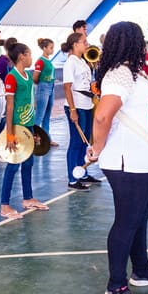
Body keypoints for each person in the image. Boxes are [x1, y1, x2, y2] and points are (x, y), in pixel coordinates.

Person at [86, 21, 148, 294]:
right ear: (133, 42)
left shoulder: (134, 73)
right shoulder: (119, 74)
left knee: (140, 217)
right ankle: (116, 285)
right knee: (127, 221)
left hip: (144, 158)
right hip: (126, 160)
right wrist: (97, 148)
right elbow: (102, 116)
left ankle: (141, 270)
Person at [0, 42, 48, 220]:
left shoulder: (27, 76)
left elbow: (29, 103)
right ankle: (4, 206)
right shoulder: (12, 78)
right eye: (29, 54)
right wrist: (10, 135)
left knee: (28, 164)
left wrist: (33, 130)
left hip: (28, 127)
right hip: (16, 129)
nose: (31, 58)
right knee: (12, 166)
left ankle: (28, 198)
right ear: (21, 56)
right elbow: (10, 108)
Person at [62, 32, 96, 191]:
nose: (86, 45)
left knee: (85, 141)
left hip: (87, 104)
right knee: (76, 142)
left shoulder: (82, 61)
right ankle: (72, 178)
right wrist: (73, 109)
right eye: (84, 42)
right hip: (77, 105)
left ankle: (82, 171)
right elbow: (67, 87)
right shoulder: (70, 62)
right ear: (75, 44)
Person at [32, 38, 58, 147]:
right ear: (44, 48)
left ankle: (46, 138)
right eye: (51, 48)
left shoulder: (48, 61)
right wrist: (42, 84)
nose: (52, 50)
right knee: (39, 115)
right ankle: (33, 138)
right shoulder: (40, 61)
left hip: (51, 87)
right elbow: (35, 77)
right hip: (44, 87)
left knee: (47, 115)